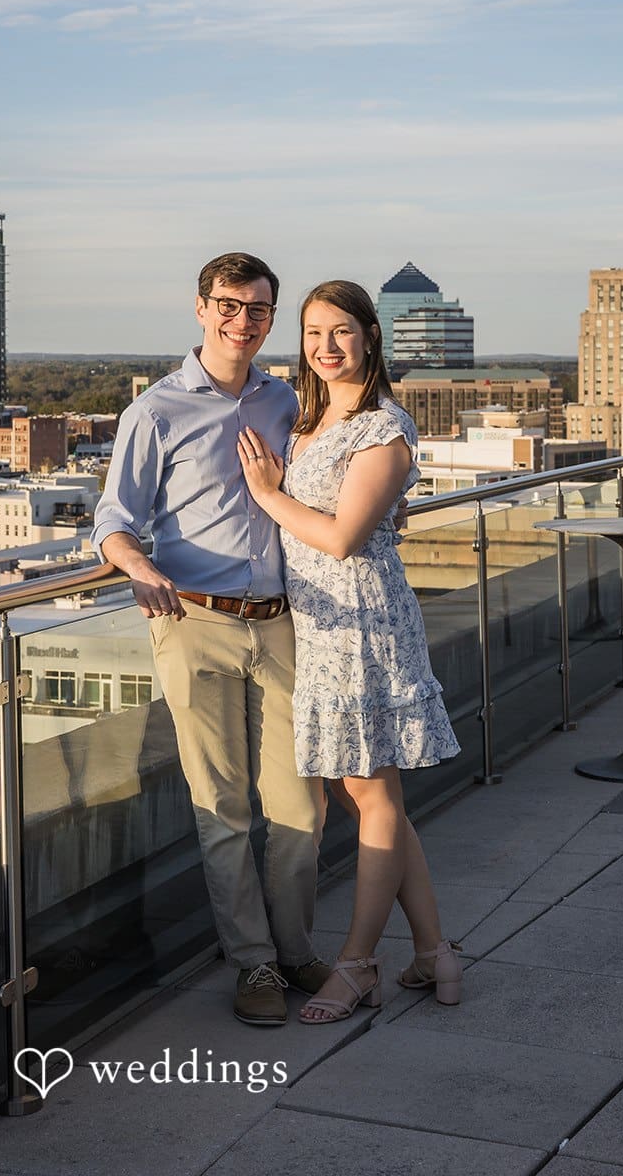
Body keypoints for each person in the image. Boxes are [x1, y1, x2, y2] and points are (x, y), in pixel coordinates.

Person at [92, 252, 328, 1026]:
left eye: (257, 310)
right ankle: (254, 965)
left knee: (301, 800)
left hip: (282, 620)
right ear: (200, 309)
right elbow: (114, 519)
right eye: (228, 306)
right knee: (222, 805)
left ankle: (295, 947)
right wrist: (133, 566)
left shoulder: (282, 399)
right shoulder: (154, 411)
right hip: (192, 622)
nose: (242, 321)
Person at [237, 279, 462, 1024]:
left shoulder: (383, 428)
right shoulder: (310, 418)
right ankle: (432, 951)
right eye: (311, 333)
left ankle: (358, 962)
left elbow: (340, 537)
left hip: (361, 625)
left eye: (340, 331)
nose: (325, 346)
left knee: (367, 793)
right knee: (368, 796)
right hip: (320, 624)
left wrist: (269, 496)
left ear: (370, 335)